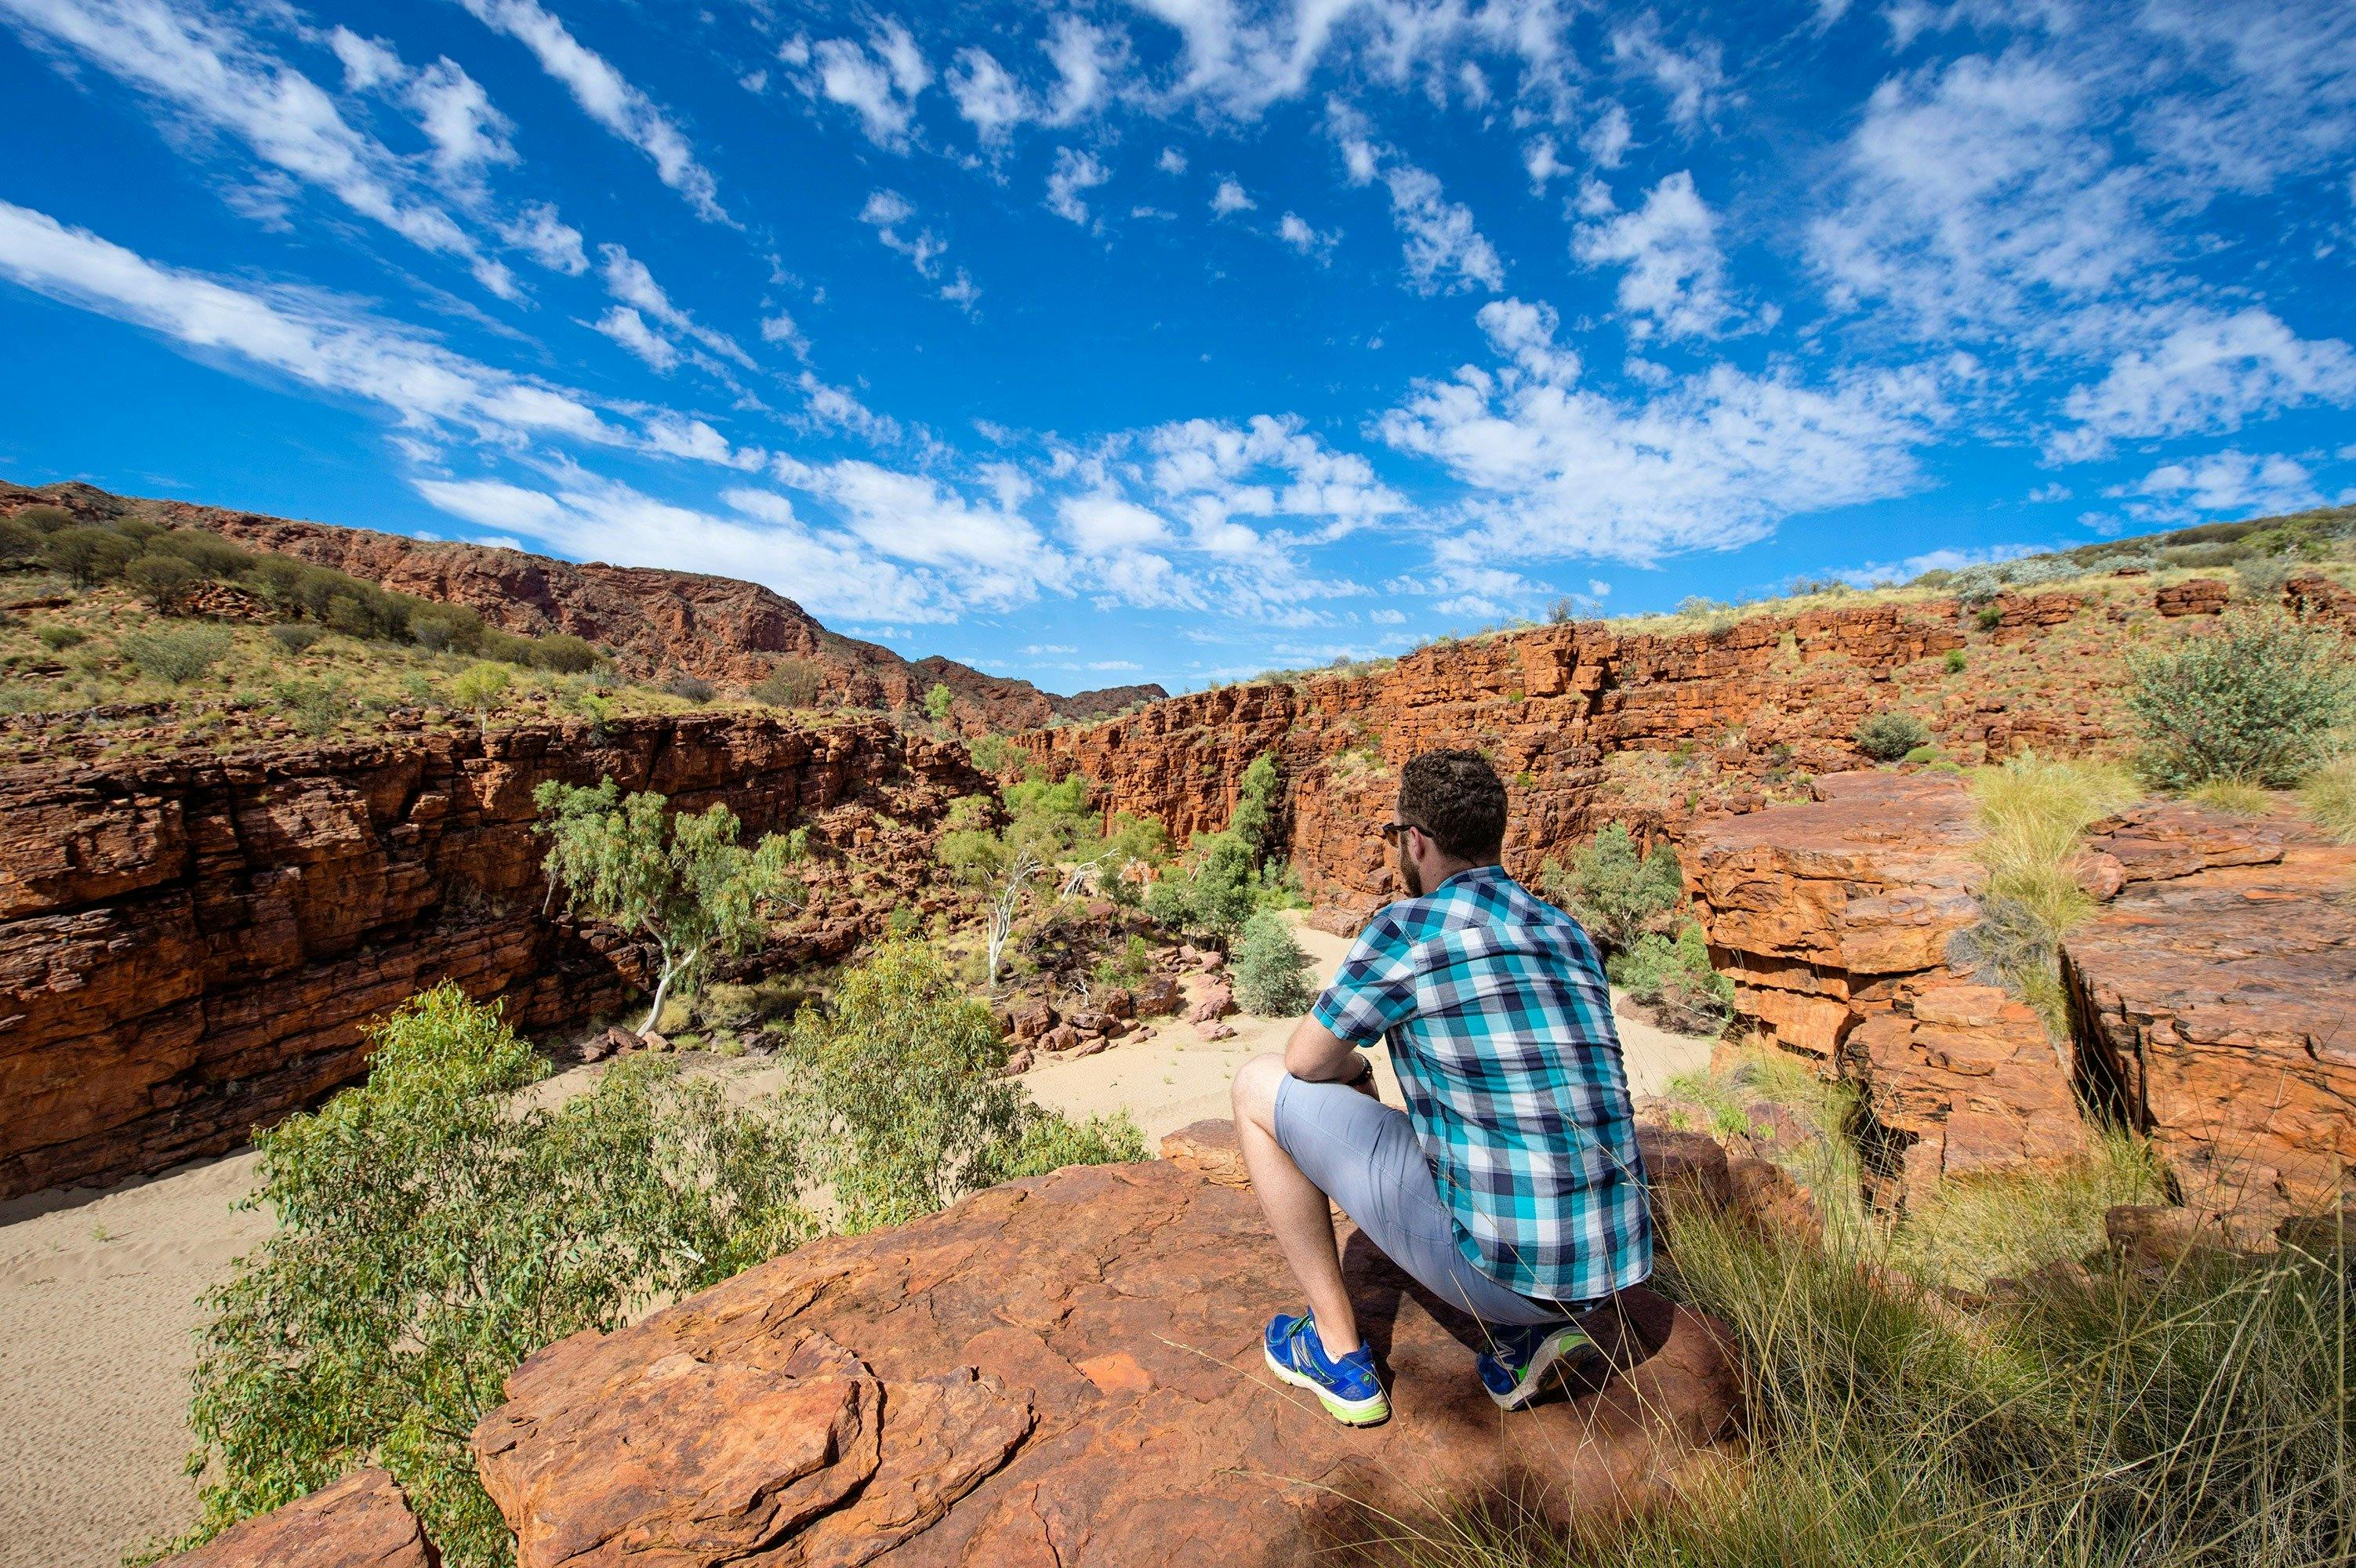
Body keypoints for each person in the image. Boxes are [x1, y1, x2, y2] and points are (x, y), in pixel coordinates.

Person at [1229, 749, 1650, 1425]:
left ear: (1416, 840)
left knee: (1255, 1085)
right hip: (1607, 1275)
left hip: (1502, 1273)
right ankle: (1526, 1339)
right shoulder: (1564, 931)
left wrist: (1359, 1073)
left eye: (1394, 834)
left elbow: (1305, 1063)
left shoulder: (1408, 928)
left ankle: (1335, 1353)